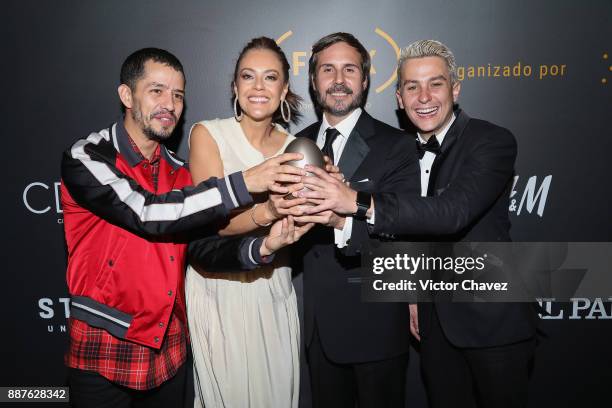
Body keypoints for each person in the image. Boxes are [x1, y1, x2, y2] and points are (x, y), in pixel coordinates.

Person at [60, 47, 306, 408]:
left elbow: (203, 249)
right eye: (156, 91)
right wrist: (244, 183)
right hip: (106, 340)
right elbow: (145, 212)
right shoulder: (89, 155)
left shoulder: (180, 172)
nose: (169, 104)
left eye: (177, 95)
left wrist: (264, 246)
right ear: (127, 95)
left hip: (169, 347)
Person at [300, 40, 538, 408]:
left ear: (455, 89)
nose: (423, 96)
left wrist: (355, 201)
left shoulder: (491, 140)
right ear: (399, 98)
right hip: (432, 322)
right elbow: (406, 235)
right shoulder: (404, 150)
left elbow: (452, 214)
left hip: (493, 320)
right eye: (412, 86)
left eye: (436, 84)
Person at [290, 32, 420, 408]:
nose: (338, 80)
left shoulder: (396, 145)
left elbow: (403, 230)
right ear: (314, 82)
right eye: (327, 70)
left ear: (365, 80)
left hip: (374, 326)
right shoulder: (296, 144)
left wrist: (341, 218)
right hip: (317, 329)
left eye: (349, 69)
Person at [185, 37, 315, 408]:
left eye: (270, 77)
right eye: (248, 76)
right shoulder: (207, 134)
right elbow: (210, 223)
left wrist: (325, 191)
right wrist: (270, 212)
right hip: (220, 288)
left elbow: (306, 218)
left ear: (284, 89)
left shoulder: (298, 147)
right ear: (234, 86)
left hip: (273, 285)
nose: (258, 87)